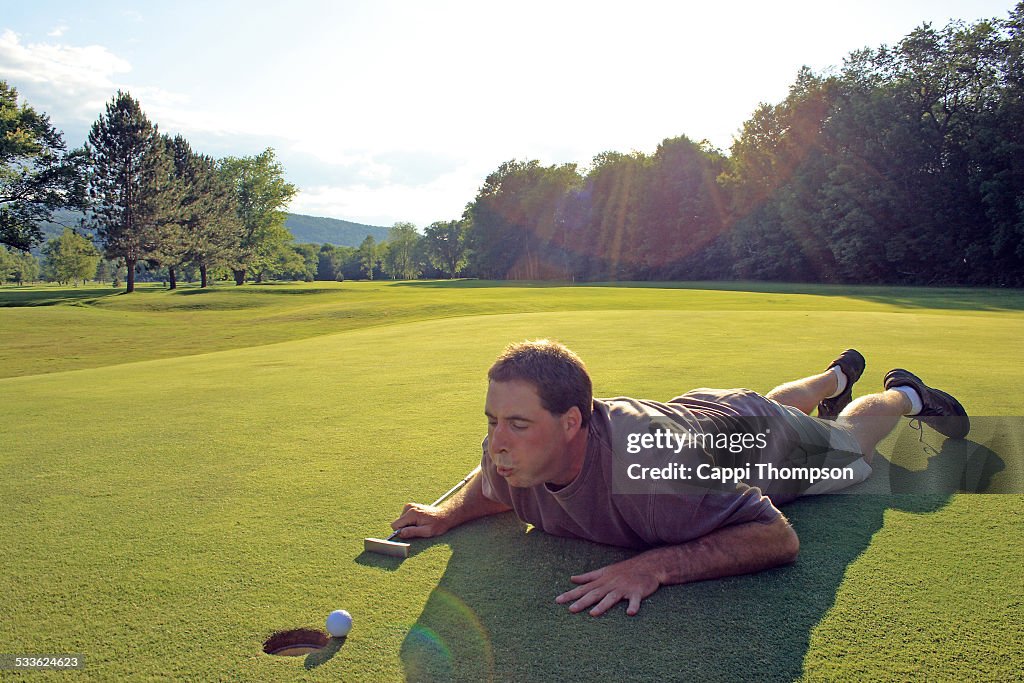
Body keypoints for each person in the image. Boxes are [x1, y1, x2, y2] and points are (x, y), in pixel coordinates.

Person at [391, 340, 969, 617]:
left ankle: (905, 394)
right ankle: (832, 376)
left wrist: (655, 564)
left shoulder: (655, 473)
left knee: (848, 447)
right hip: (708, 418)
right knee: (768, 406)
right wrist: (447, 514)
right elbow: (488, 483)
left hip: (756, 441)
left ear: (572, 423)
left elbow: (777, 536)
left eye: (517, 424)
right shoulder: (509, 455)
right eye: (493, 422)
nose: (497, 443)